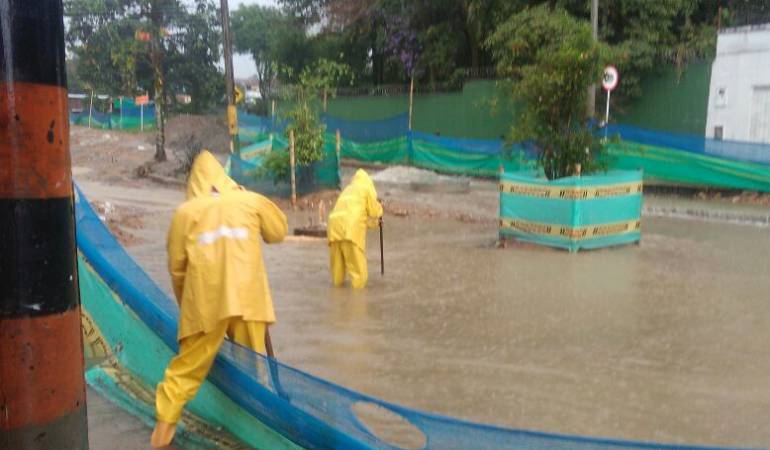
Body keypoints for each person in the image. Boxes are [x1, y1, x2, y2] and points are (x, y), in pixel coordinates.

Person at [151, 150, 287, 448]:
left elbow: (177, 271)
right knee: (254, 371)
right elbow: (279, 231)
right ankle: (254, 435)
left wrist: (188, 311)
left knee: (183, 373)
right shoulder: (248, 200)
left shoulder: (185, 213)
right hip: (250, 301)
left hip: (205, 305)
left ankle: (161, 437)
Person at [327, 169, 383, 289]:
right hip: (351, 233)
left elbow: (357, 217)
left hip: (333, 231)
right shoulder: (365, 189)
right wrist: (380, 209)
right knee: (359, 276)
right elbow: (375, 211)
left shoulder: (347, 190)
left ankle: (338, 301)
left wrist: (375, 224)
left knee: (337, 276)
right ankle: (357, 304)